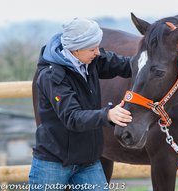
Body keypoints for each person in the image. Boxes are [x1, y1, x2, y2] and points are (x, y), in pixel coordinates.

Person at [28, 17, 132, 191]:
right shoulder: (52, 76)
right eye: (92, 48)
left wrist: (151, 60)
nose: (98, 52)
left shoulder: (91, 60)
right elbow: (72, 117)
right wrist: (107, 114)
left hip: (88, 163)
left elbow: (126, 65)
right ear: (75, 50)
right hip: (53, 164)